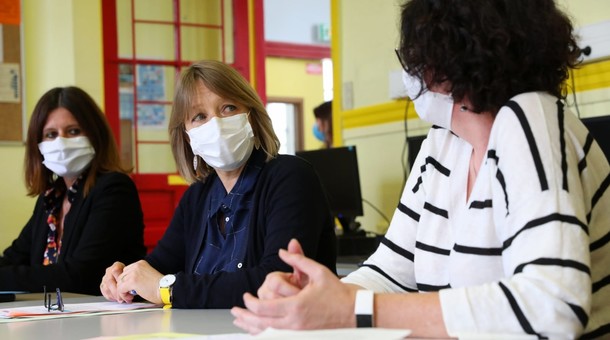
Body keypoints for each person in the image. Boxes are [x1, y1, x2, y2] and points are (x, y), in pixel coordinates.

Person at [231, 0, 610, 338]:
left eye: (415, 58)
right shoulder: (441, 145)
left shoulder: (531, 119)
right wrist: (318, 294)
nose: (413, 74)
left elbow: (554, 308)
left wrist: (352, 309)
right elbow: (392, 271)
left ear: (449, 59)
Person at [99, 60, 336, 309]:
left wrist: (167, 289)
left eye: (228, 108)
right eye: (200, 116)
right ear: (187, 136)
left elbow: (278, 280)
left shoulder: (291, 177)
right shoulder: (197, 197)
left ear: (252, 117)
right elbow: (158, 268)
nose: (216, 123)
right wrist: (126, 278)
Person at [0, 86, 146, 295]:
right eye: (51, 134)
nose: (61, 142)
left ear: (95, 134)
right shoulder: (51, 198)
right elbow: (14, 257)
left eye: (73, 131)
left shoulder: (114, 189)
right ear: (38, 145)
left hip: (105, 319)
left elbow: (81, 275)